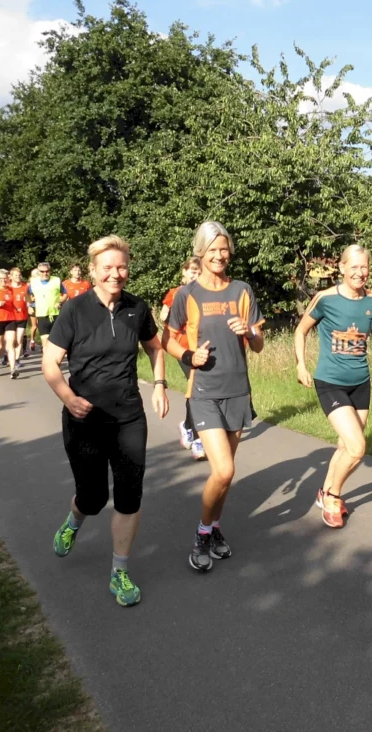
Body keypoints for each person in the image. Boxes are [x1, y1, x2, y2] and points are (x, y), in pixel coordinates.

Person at [45, 235, 169, 607]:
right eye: (108, 268)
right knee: (94, 496)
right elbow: (50, 363)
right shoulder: (75, 310)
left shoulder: (137, 308)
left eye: (121, 267)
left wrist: (160, 385)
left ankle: (119, 572)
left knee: (129, 497)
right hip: (85, 419)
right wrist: (69, 397)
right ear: (94, 272)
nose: (116, 274)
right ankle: (73, 523)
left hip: (129, 416)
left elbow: (155, 347)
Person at [162, 222, 264, 573]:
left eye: (224, 249)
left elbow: (259, 344)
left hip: (238, 390)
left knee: (225, 476)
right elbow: (168, 339)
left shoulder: (241, 290)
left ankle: (215, 529)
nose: (219, 255)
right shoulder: (186, 294)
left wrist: (248, 331)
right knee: (223, 469)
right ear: (200, 253)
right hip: (203, 391)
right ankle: (202, 534)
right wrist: (189, 357)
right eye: (212, 250)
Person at [294, 244, 372, 528]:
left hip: (361, 383)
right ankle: (333, 497)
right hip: (330, 382)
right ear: (342, 268)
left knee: (345, 445)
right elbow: (301, 330)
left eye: (365, 268)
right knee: (358, 448)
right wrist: (301, 364)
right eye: (354, 267)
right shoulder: (325, 299)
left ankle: (324, 491)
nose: (360, 273)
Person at [160, 256, 205, 460]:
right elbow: (162, 317)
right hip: (183, 348)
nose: (195, 275)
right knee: (196, 388)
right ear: (184, 273)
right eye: (191, 271)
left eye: (198, 271)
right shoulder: (176, 293)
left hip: (202, 348)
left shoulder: (206, 292)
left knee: (196, 389)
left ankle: (187, 426)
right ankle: (197, 438)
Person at [29, 261, 65, 351]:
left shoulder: (56, 280)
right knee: (45, 342)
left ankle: (54, 361)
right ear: (38, 272)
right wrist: (29, 305)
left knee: (55, 342)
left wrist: (60, 302)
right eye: (42, 271)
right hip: (42, 315)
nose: (45, 273)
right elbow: (27, 295)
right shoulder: (33, 282)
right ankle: (47, 363)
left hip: (55, 314)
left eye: (47, 271)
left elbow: (65, 293)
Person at [9, 267, 29, 369]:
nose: (18, 277)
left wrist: (29, 305)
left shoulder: (25, 287)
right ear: (11, 277)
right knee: (11, 340)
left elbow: (29, 299)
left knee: (19, 338)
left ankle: (16, 359)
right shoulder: (8, 287)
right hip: (11, 317)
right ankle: (8, 356)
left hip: (23, 316)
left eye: (19, 275)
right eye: (16, 275)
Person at [27, 268, 41, 353]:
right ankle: (32, 340)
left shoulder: (43, 284)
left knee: (41, 325)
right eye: (35, 274)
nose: (37, 276)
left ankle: (43, 344)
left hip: (42, 306)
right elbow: (29, 297)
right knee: (34, 326)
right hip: (34, 306)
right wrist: (29, 305)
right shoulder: (30, 285)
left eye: (38, 274)